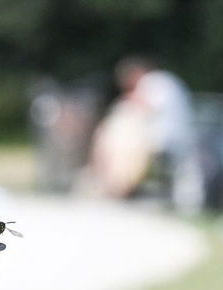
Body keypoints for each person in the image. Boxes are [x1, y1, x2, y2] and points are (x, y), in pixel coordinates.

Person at [86, 55, 205, 214]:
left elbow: (144, 106)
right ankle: (118, 184)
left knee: (121, 142)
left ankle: (118, 185)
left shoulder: (153, 81)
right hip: (176, 137)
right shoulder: (165, 81)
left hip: (167, 139)